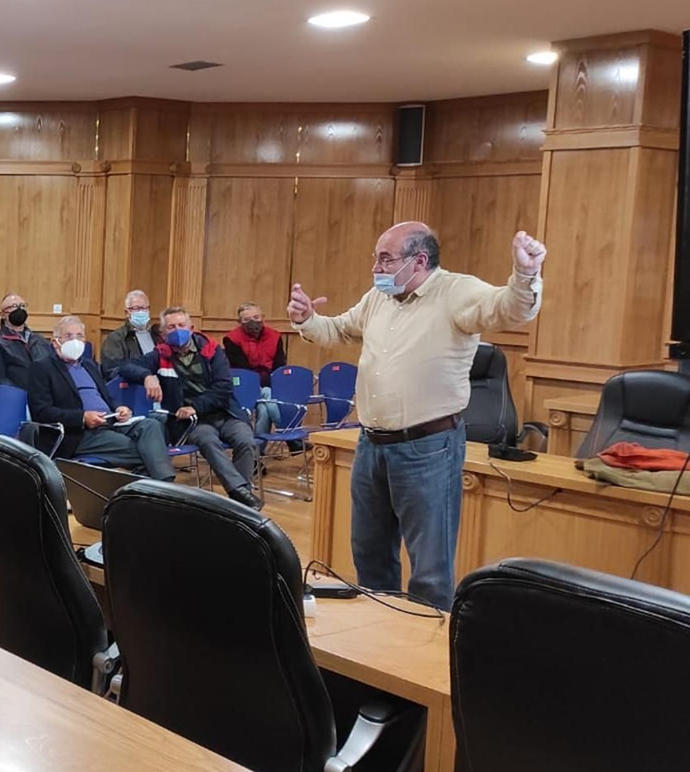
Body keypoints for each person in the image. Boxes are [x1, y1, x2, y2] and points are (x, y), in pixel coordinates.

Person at [288, 222, 546, 610]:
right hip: (371, 445)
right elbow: (339, 330)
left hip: (428, 448)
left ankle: (425, 646)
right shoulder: (378, 298)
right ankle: (378, 635)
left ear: (419, 260)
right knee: (370, 556)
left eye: (385, 259)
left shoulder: (457, 292)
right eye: (376, 258)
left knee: (430, 570)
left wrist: (525, 276)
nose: (375, 267)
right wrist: (307, 318)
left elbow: (508, 309)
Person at [27, 316, 175, 481]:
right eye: (68, 336)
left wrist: (118, 408)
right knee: (147, 450)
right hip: (79, 432)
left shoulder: (89, 365)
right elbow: (41, 412)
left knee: (151, 425)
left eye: (79, 336)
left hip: (110, 422)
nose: (75, 340)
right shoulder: (42, 367)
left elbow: (106, 397)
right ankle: (165, 485)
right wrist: (83, 417)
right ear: (55, 342)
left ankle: (152, 486)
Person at [153, 307, 262, 509]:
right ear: (163, 333)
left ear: (191, 328)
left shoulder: (212, 350)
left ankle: (241, 496)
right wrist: (147, 376)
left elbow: (223, 388)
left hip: (225, 413)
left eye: (181, 325)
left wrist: (195, 406)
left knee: (246, 440)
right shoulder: (159, 355)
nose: (177, 330)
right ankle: (240, 494)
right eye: (171, 327)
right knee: (208, 441)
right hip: (193, 423)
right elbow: (127, 367)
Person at [222, 302, 288, 438]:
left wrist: (274, 386)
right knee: (267, 395)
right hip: (245, 384)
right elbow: (241, 368)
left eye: (256, 317)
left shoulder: (275, 336)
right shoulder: (231, 339)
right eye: (246, 320)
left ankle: (258, 449)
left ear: (263, 317)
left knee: (264, 409)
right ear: (239, 322)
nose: (253, 322)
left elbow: (279, 365)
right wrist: (260, 388)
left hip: (271, 383)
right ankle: (288, 433)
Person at [100, 290, 161, 401]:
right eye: (136, 309)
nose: (141, 312)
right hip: (132, 393)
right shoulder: (116, 338)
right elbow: (113, 372)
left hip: (161, 391)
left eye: (144, 308)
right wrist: (143, 376)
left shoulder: (157, 335)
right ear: (127, 312)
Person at [0, 293, 53, 389]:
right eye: (14, 306)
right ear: (3, 315)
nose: (19, 309)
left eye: (22, 306)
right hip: (16, 394)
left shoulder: (40, 340)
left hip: (43, 393)